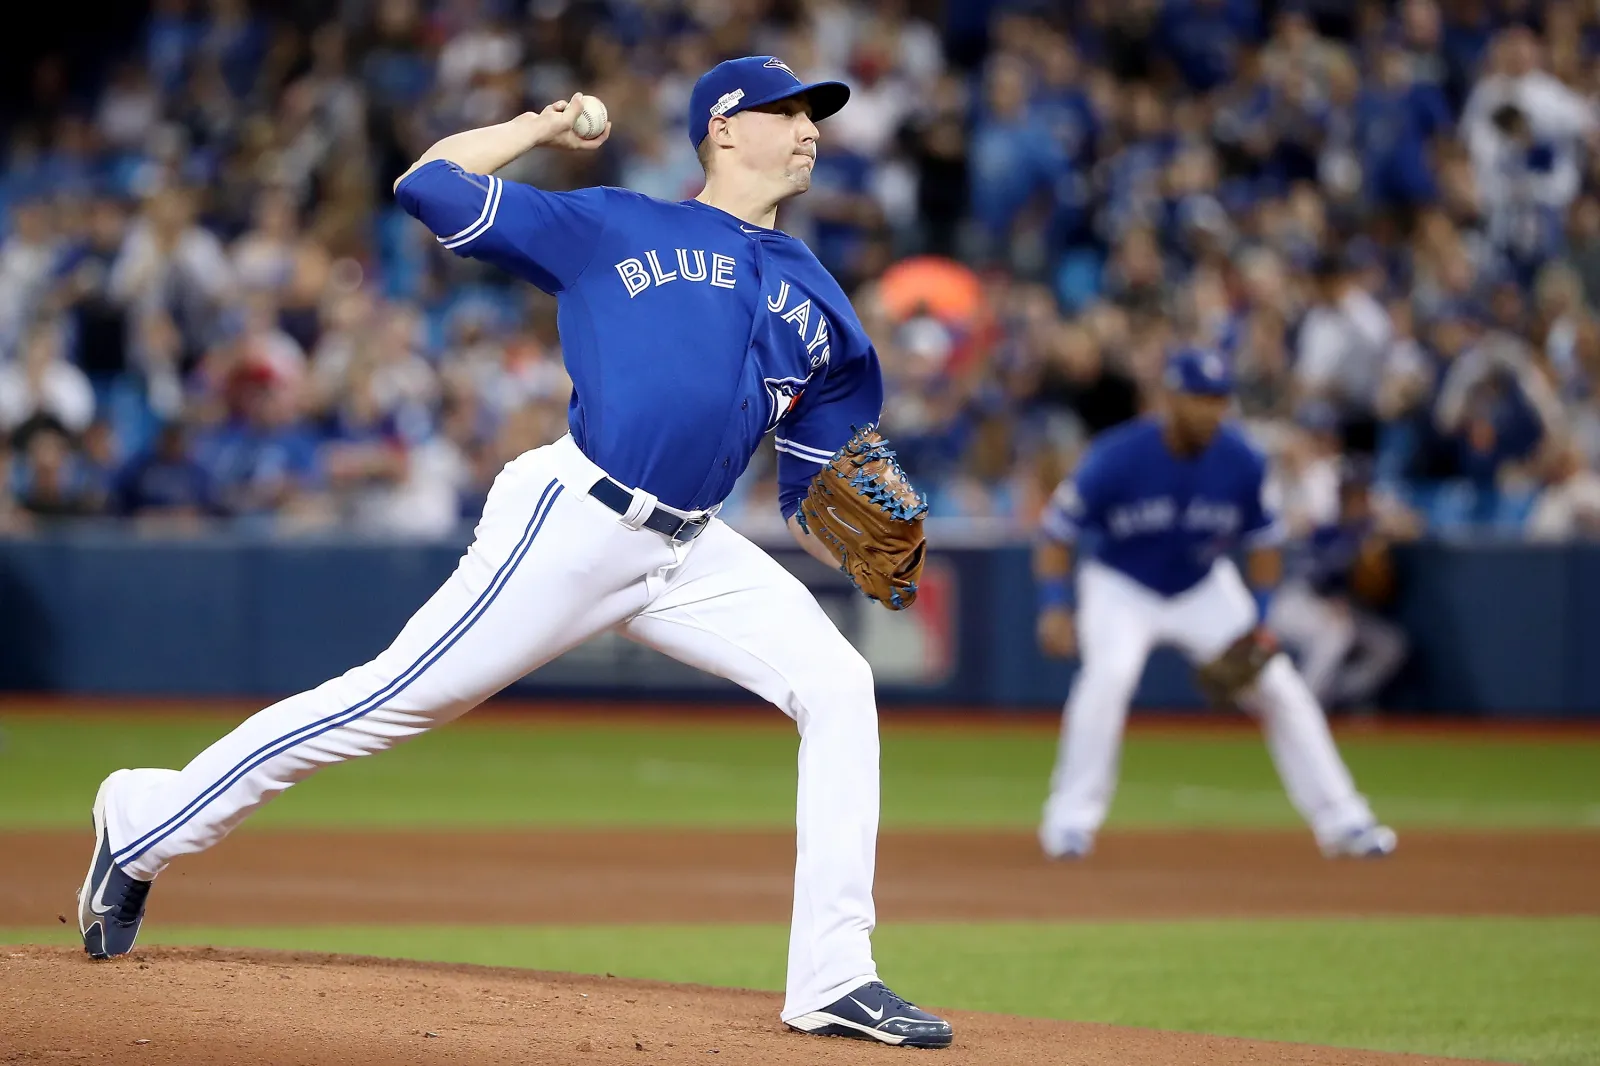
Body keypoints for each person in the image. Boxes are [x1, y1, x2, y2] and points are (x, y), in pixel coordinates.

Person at [77, 57, 952, 1051]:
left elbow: (819, 475)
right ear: (721, 126)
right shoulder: (618, 223)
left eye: (816, 116)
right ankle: (145, 817)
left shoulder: (819, 297)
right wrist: (542, 124)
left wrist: (867, 527)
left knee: (838, 685)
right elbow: (428, 184)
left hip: (694, 547)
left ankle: (835, 976)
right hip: (575, 518)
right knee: (383, 702)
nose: (810, 130)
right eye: (788, 111)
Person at [1033, 348, 1396, 860]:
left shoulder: (1242, 460)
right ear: (1171, 399)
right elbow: (1055, 532)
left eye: (1219, 399)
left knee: (1280, 686)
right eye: (1200, 398)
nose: (1210, 410)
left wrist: (1261, 623)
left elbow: (1265, 542)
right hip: (1121, 585)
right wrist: (1053, 604)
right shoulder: (1118, 455)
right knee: (1108, 677)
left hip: (1203, 587)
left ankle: (1346, 821)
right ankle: (1069, 822)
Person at [1268, 463, 1411, 712]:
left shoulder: (1370, 525)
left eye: (1360, 494)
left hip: (1341, 610)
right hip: (1299, 601)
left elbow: (1411, 526)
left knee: (1389, 647)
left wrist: (1385, 529)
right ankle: (1301, 706)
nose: (1355, 501)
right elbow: (1314, 574)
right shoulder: (1326, 529)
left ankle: (1336, 696)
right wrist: (1333, 597)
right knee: (1335, 634)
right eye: (1350, 495)